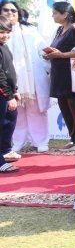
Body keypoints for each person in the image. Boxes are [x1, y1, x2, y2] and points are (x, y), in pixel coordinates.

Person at [0, 2, 50, 155]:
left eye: (13, 10)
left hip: (32, 79)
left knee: (36, 111)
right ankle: (16, 142)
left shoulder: (31, 30)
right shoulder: (3, 32)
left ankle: (40, 141)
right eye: (6, 10)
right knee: (16, 112)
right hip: (9, 82)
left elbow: (43, 52)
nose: (10, 13)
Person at [44, 2, 75, 151]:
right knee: (65, 108)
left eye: (55, 13)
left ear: (65, 14)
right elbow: (56, 47)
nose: (53, 15)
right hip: (59, 75)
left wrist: (61, 55)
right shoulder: (59, 30)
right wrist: (50, 54)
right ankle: (74, 139)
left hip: (73, 75)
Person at [0, 15, 19, 173]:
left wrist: (15, 91)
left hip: (8, 94)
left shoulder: (5, 46)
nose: (5, 35)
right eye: (1, 32)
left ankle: (5, 152)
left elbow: (10, 71)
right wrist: (9, 96)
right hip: (3, 95)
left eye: (7, 32)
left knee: (8, 124)